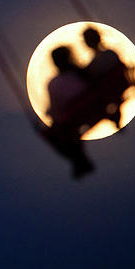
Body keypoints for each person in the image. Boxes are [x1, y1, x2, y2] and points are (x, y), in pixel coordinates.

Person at [45, 46, 95, 179]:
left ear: (55, 62)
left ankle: (78, 161)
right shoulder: (83, 75)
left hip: (70, 121)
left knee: (50, 134)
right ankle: (79, 161)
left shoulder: (55, 84)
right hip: (89, 112)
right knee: (67, 135)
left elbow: (55, 111)